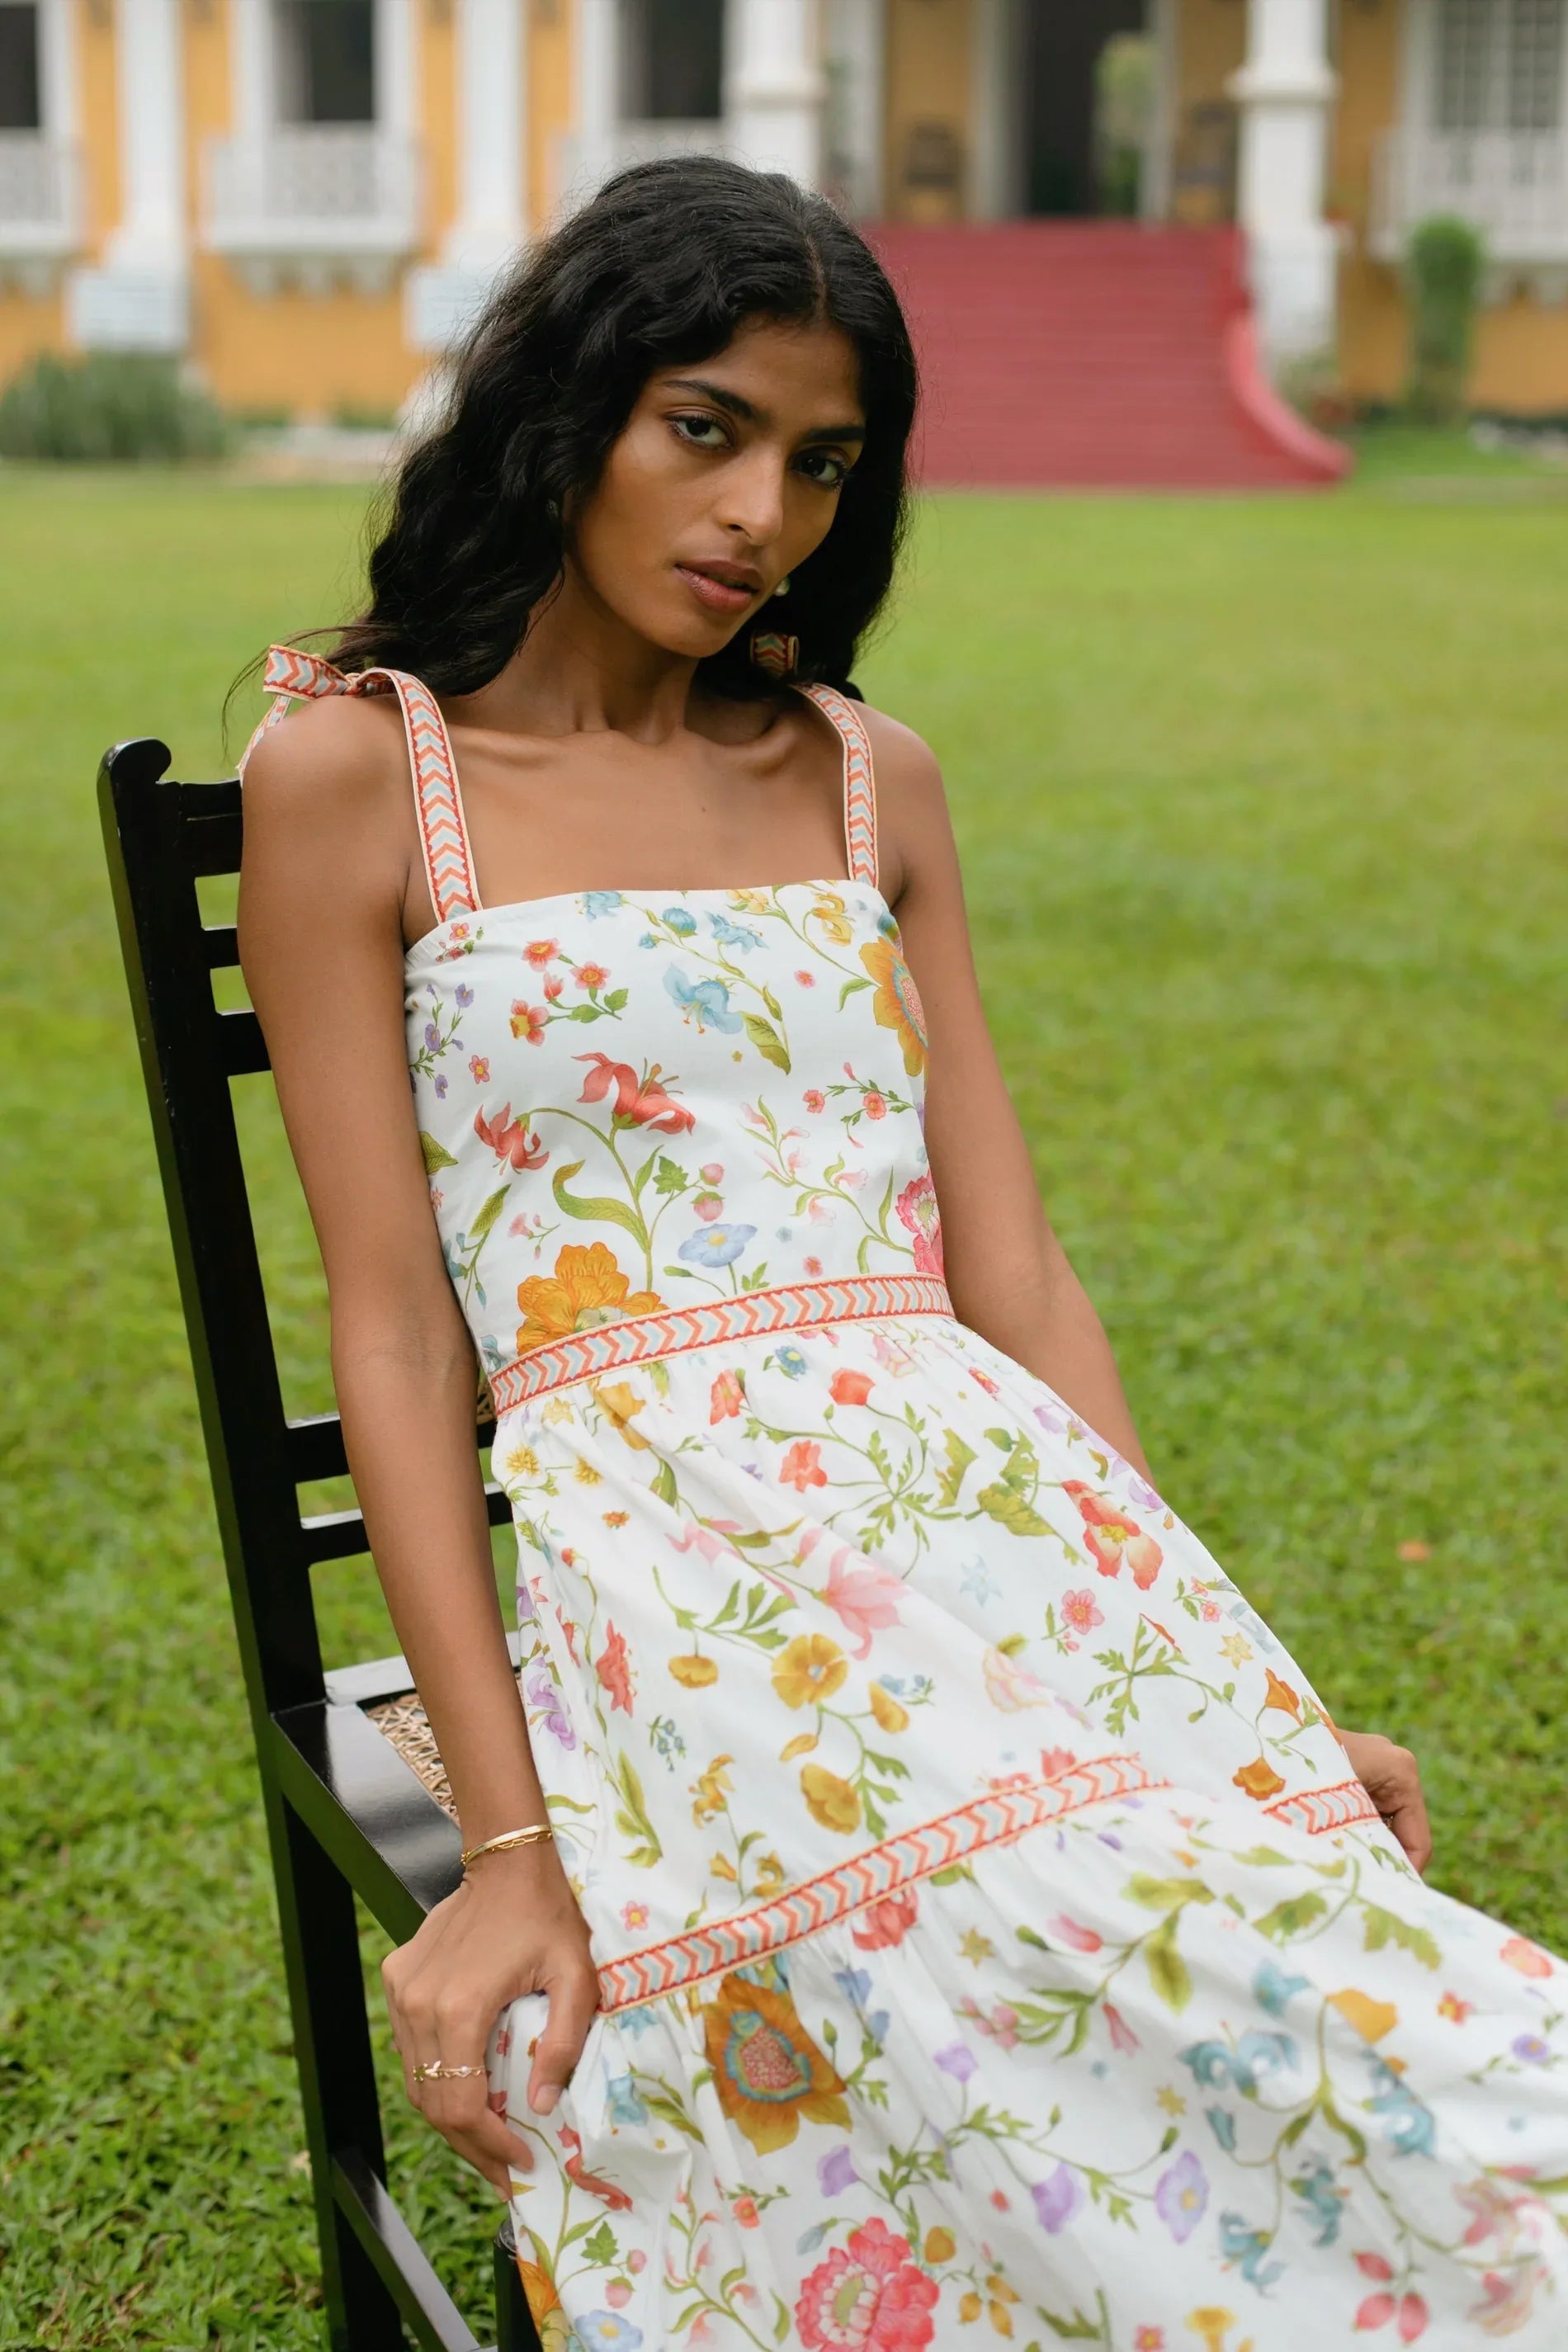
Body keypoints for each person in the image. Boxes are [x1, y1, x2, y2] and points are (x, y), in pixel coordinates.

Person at [237, 158, 1566, 2349]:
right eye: (708, 427)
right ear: (568, 409)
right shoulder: (359, 776)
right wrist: (504, 1843)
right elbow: (391, 1325)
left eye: (823, 462)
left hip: (988, 1522)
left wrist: (1232, 1684)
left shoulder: (869, 775)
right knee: (1073, 1924)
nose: (765, 510)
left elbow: (1017, 1278)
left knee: (1263, 1924)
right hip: (675, 1563)